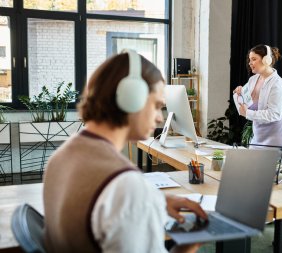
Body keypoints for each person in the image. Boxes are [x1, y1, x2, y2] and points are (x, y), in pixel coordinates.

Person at [43, 50, 207, 253]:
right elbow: (120, 195)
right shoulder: (125, 184)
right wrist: (188, 246)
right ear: (131, 98)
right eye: (156, 106)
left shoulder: (61, 156)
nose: (159, 118)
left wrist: (154, 200)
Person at [234, 44, 282, 148]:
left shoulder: (277, 85)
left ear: (266, 60)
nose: (250, 63)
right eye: (249, 59)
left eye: (254, 59)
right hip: (260, 135)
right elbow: (247, 103)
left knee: (278, 164)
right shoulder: (253, 80)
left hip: (280, 136)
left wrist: (247, 113)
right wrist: (240, 93)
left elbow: (274, 114)